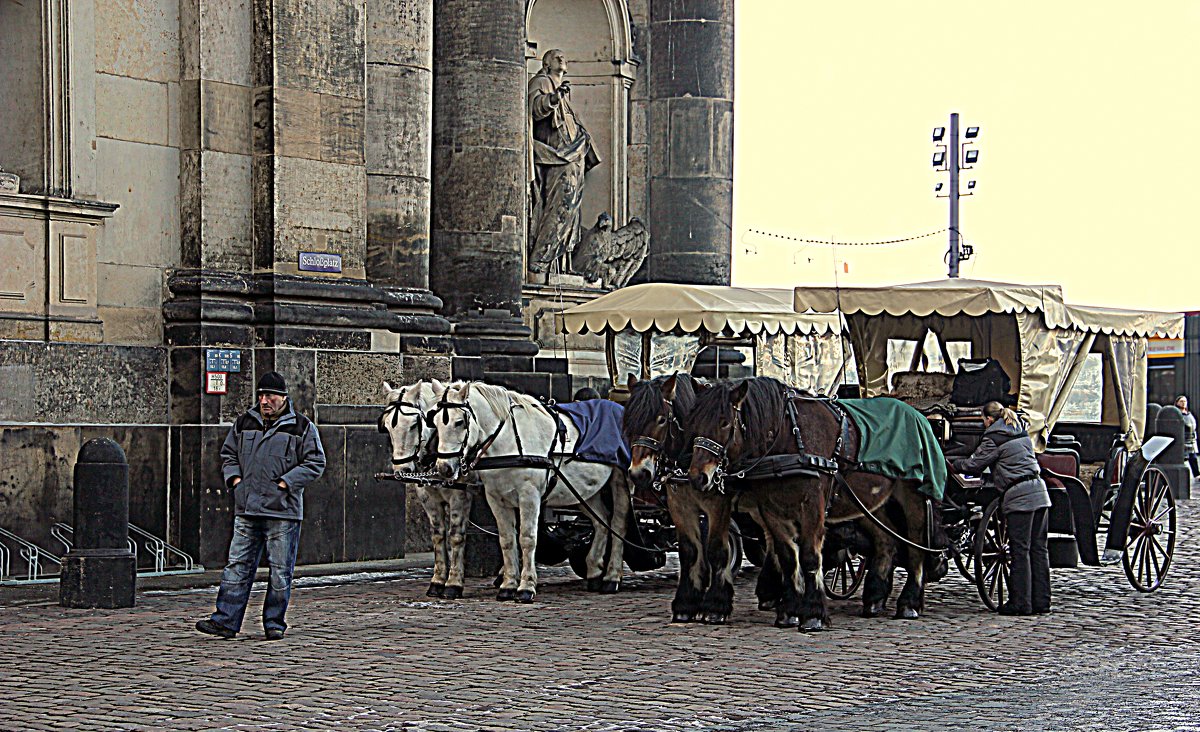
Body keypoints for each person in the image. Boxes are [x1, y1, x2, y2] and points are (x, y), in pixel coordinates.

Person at [195, 371, 326, 640]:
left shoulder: (301, 427)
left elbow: (315, 463)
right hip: (247, 507)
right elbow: (228, 454)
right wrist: (235, 480)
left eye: (271, 396)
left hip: (283, 511)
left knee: (280, 572)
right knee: (237, 567)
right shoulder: (244, 423)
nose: (265, 401)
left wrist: (285, 483)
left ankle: (274, 622)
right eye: (262, 395)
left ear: (283, 398)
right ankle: (225, 620)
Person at [952, 401, 1051, 616]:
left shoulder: (993, 437)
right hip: (1040, 493)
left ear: (988, 419)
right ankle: (1041, 601)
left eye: (983, 421)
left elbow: (974, 465)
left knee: (1019, 550)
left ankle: (1020, 603)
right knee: (1038, 549)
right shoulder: (1021, 431)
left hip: (1019, 496)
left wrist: (953, 464)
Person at [527, 48, 600, 274]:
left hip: (573, 155)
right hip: (557, 158)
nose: (562, 59)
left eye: (564, 57)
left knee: (572, 209)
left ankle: (561, 262)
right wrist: (552, 99)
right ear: (546, 64)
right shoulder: (541, 82)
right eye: (556, 57)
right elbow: (534, 108)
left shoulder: (563, 92)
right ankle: (540, 258)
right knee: (559, 205)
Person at [1176, 395, 1198, 478]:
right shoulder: (1177, 414)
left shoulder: (1189, 414)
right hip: (1182, 441)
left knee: (1193, 458)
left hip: (1191, 440)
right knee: (1182, 459)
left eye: (1185, 401)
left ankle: (1197, 474)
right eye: (1181, 401)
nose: (1183, 403)